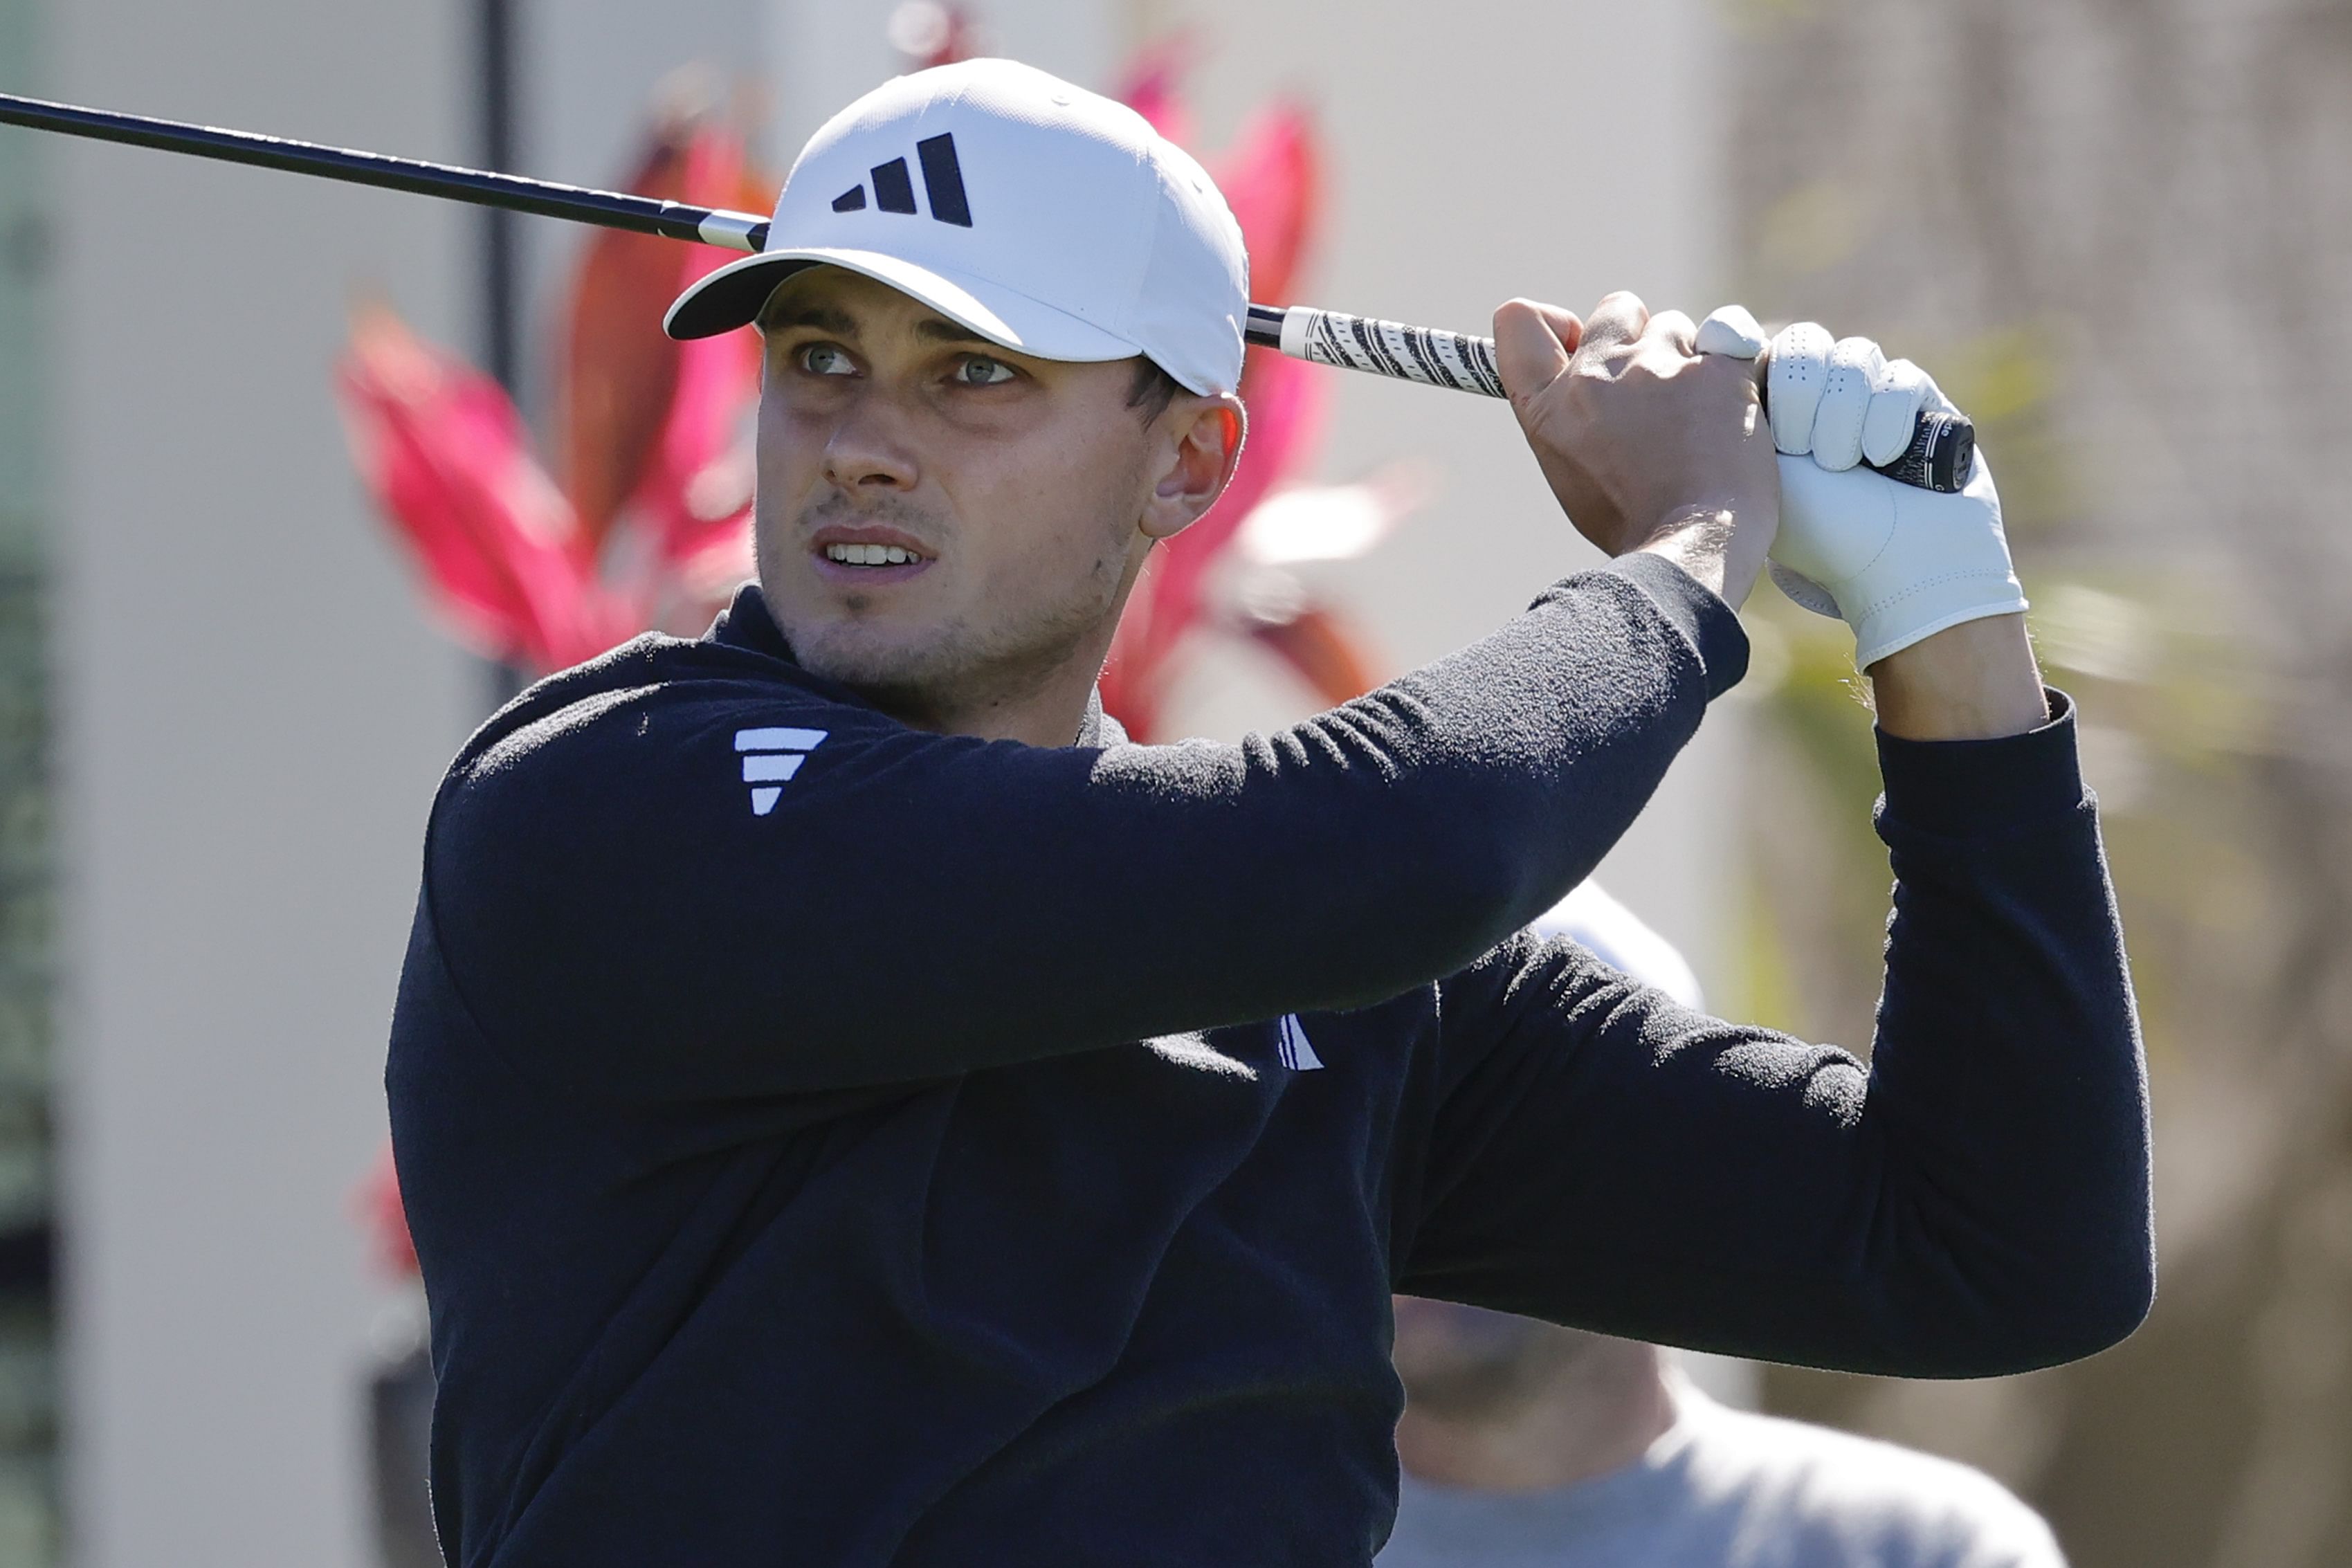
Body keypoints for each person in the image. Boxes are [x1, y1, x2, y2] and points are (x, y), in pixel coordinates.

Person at [387, 57, 2152, 1567]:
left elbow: (1993, 1250)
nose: (860, 438)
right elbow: (1395, 841)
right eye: (817, 356)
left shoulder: (1371, 989)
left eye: (976, 370)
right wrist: (1693, 554)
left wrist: (1952, 643)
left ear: (1189, 459)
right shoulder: (609, 808)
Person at [1380, 886, 2068, 1568]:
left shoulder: (1927, 1550)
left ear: (1683, 1172)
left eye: (1504, 1135)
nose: (1431, 1196)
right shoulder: (1279, 1534)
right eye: (1392, 1136)